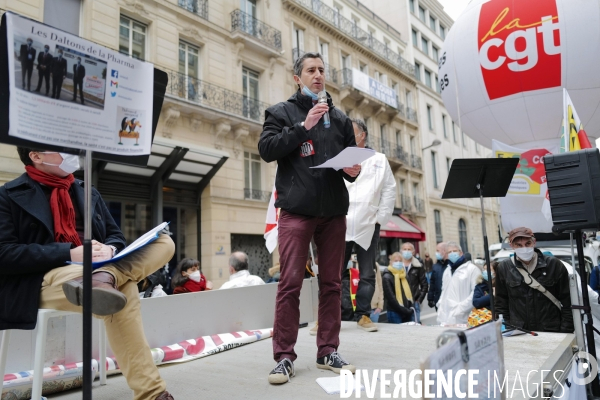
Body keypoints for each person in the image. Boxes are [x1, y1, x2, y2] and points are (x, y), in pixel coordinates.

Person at [0, 147, 176, 400]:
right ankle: (152, 394)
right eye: (61, 148)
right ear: (36, 156)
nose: (72, 152)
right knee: (124, 290)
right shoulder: (7, 195)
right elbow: (4, 253)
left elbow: (116, 235)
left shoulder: (86, 190)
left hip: (96, 269)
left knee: (164, 243)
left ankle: (105, 277)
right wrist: (69, 253)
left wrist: (110, 247)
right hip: (44, 278)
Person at [258, 51, 359, 384]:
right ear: (297, 78)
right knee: (289, 284)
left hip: (333, 212)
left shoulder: (341, 120)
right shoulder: (280, 112)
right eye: (311, 70)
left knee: (331, 284)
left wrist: (352, 170)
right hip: (296, 212)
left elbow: (349, 167)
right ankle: (284, 357)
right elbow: (267, 149)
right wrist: (304, 127)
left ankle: (328, 350)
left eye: (322, 70)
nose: (318, 75)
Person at [341, 118, 396, 332]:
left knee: (367, 273)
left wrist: (380, 218)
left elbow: (389, 189)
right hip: (341, 221)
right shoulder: (339, 158)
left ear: (362, 135)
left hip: (368, 222)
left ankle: (363, 314)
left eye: (350, 131)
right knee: (333, 273)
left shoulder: (379, 159)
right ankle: (328, 315)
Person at [495, 227, 574, 333]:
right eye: (518, 245)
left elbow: (568, 302)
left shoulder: (554, 265)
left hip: (551, 331)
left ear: (534, 242)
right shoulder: (504, 268)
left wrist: (565, 331)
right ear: (511, 246)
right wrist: (508, 329)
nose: (524, 248)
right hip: (519, 332)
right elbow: (501, 304)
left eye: (527, 244)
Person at [436, 241, 481, 325]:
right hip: (446, 318)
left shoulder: (472, 269)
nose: (452, 253)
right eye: (449, 252)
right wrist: (440, 305)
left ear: (461, 253)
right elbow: (444, 291)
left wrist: (460, 308)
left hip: (464, 317)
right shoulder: (447, 270)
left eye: (455, 251)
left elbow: (476, 293)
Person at [382, 252, 416, 323]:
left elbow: (411, 292)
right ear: (391, 262)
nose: (398, 263)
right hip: (394, 312)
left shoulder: (404, 275)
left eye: (400, 261)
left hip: (407, 310)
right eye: (396, 261)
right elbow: (391, 298)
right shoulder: (387, 276)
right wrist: (404, 310)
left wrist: (411, 307)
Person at [400, 242, 428, 323]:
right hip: (400, 303)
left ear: (413, 252)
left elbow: (424, 285)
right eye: (405, 249)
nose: (407, 251)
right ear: (401, 251)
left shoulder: (418, 266)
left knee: (415, 327)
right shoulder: (397, 265)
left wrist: (419, 300)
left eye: (409, 249)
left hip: (414, 303)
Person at [428, 242, 449, 310]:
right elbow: (432, 283)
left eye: (438, 250)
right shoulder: (436, 266)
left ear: (444, 251)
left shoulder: (451, 265)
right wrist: (430, 298)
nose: (436, 253)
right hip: (439, 300)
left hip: (450, 300)